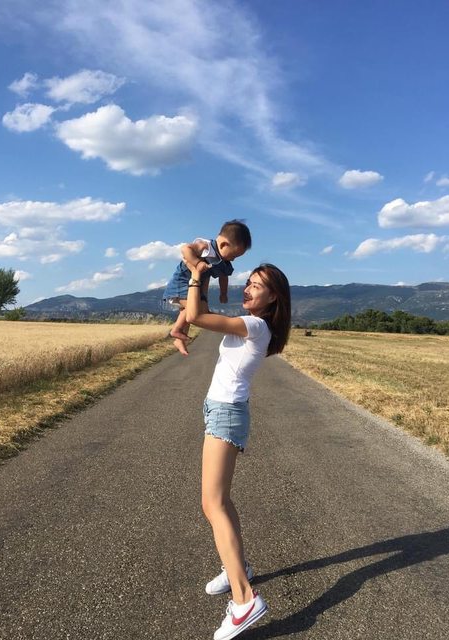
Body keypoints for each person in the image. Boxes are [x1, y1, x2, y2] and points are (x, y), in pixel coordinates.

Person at [185, 261, 291, 640]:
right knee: (222, 502)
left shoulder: (255, 325)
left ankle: (245, 600)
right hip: (222, 409)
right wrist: (202, 279)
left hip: (226, 412)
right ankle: (238, 571)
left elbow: (196, 316)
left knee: (212, 504)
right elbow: (198, 311)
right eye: (248, 282)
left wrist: (195, 273)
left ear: (273, 297)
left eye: (256, 286)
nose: (247, 289)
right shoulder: (252, 324)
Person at [163, 220, 252, 355]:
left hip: (196, 286)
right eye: (234, 255)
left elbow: (223, 277)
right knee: (194, 308)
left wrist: (223, 293)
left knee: (189, 310)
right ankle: (176, 330)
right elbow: (185, 249)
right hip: (182, 281)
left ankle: (179, 339)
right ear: (224, 245)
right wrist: (197, 263)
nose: (233, 259)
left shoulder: (224, 262)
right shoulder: (206, 247)